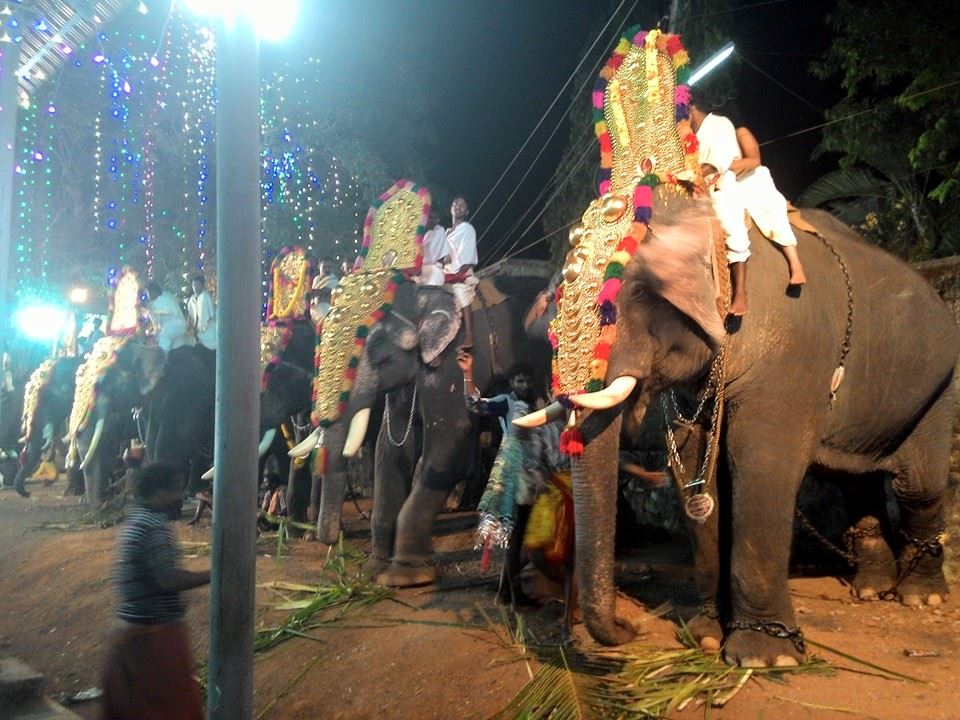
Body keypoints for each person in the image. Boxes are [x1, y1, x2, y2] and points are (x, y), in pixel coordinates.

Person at [100, 462, 209, 720]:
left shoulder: (136, 520)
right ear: (159, 491)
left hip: (133, 631)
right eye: (177, 490)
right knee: (171, 709)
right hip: (154, 636)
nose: (181, 497)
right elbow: (168, 580)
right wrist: (216, 574)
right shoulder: (154, 527)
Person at [459, 352, 554, 606]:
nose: (524, 385)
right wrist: (468, 373)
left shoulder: (539, 403)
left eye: (527, 381)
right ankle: (516, 596)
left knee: (521, 535)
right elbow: (475, 404)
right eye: (519, 381)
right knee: (517, 535)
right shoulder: (505, 403)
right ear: (511, 383)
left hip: (534, 474)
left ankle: (505, 592)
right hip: (514, 475)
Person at [689, 99, 750, 316]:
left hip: (720, 187)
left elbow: (718, 161)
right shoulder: (688, 137)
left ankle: (740, 293)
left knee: (730, 225)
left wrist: (693, 177)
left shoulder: (720, 124)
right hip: (695, 194)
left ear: (691, 108)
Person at [731, 126, 807, 285]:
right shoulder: (701, 144)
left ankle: (795, 264)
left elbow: (754, 160)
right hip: (725, 185)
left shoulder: (741, 132)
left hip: (751, 179)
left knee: (771, 208)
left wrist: (720, 166)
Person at [444, 197, 479, 349]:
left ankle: (470, 335)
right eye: (454, 204)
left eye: (461, 205)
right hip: (444, 275)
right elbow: (444, 256)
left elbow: (467, 258)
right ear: (451, 209)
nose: (457, 206)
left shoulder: (467, 229)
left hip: (461, 275)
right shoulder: (446, 232)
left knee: (461, 293)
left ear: (466, 212)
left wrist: (457, 275)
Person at [146, 280, 191, 354]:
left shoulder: (164, 298)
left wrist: (150, 309)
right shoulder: (159, 300)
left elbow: (165, 310)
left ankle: (162, 358)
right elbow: (157, 323)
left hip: (176, 325)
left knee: (165, 336)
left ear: (154, 291)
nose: (149, 295)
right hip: (172, 329)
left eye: (149, 293)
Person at [186, 274, 216, 351]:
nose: (196, 287)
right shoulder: (191, 300)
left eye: (198, 285)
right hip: (197, 332)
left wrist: (205, 327)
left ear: (202, 286)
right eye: (194, 285)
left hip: (208, 330)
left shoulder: (205, 297)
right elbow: (191, 316)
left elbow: (211, 315)